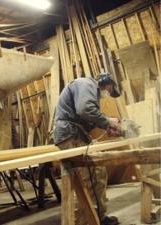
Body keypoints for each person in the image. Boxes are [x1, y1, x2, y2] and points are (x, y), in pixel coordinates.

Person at [53, 74, 122, 225]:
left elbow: (84, 117)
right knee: (87, 179)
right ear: (106, 82)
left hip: (75, 134)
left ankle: (97, 217)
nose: (108, 94)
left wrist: (107, 126)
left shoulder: (88, 89)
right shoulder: (87, 84)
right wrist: (107, 121)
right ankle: (87, 221)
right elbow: (85, 109)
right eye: (110, 90)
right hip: (70, 135)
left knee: (97, 173)